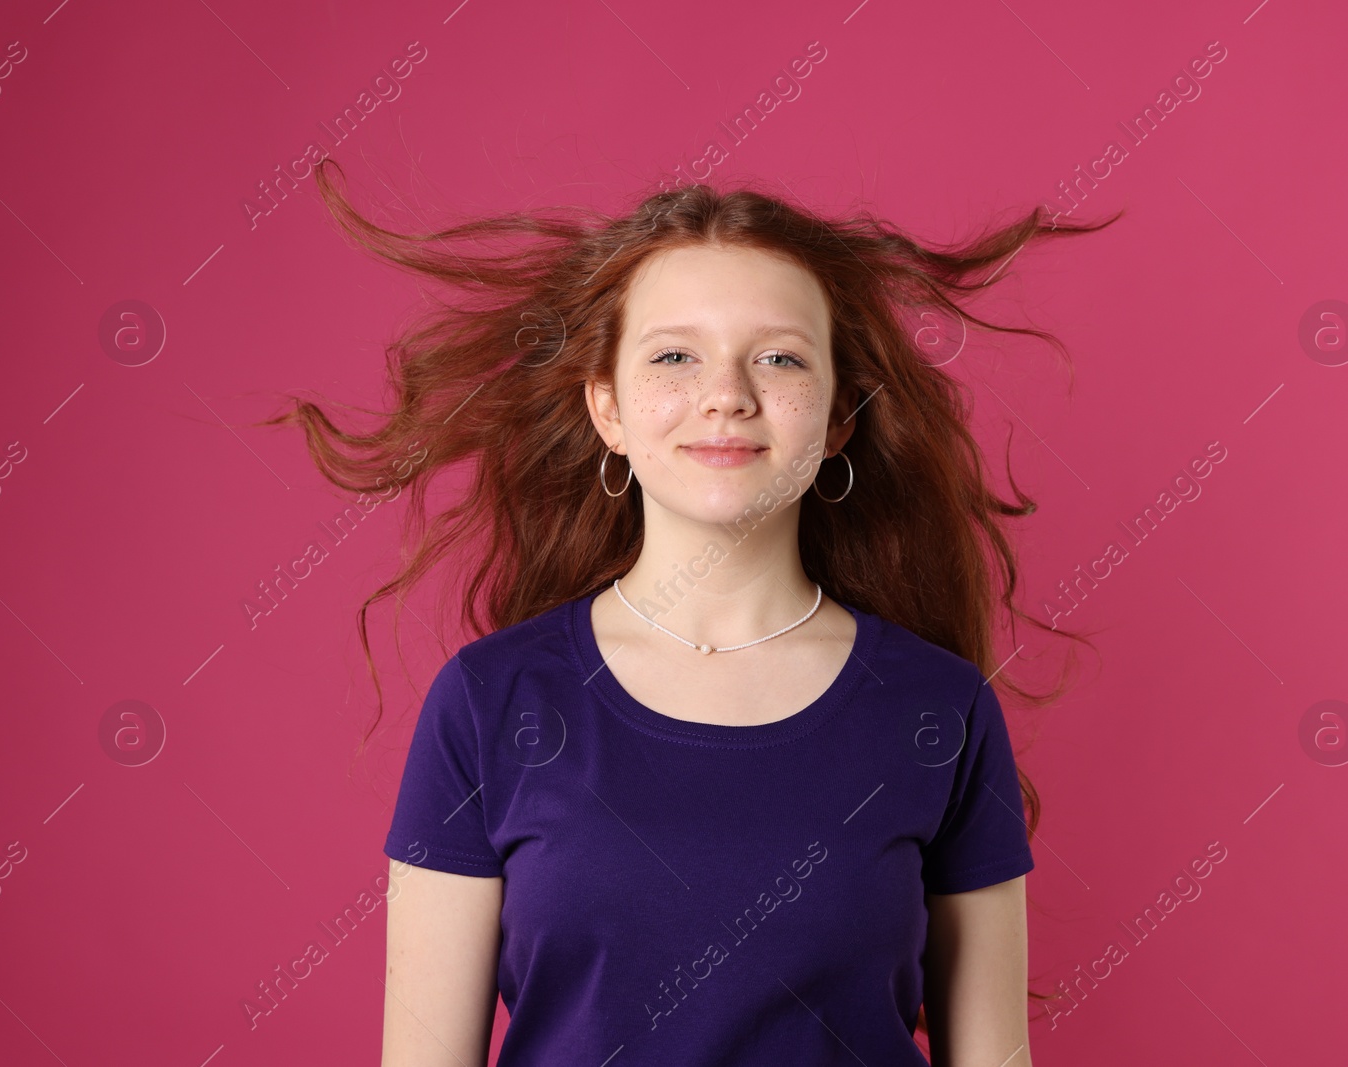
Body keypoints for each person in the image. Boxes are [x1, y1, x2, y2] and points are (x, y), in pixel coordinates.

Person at [269, 161, 1114, 1065]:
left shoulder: (939, 707)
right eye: (675, 355)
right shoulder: (490, 701)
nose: (727, 394)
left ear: (837, 422)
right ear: (608, 410)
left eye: (780, 357)